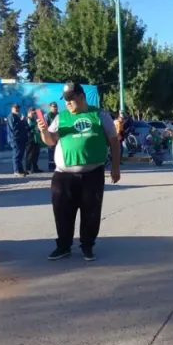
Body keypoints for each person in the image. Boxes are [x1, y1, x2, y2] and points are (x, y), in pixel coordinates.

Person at [37, 82, 121, 262]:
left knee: (91, 212)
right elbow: (50, 141)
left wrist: (116, 167)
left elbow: (114, 142)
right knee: (62, 212)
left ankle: (87, 246)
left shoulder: (100, 115)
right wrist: (44, 131)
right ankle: (63, 246)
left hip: (92, 173)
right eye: (65, 99)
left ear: (81, 97)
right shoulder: (61, 117)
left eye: (70, 98)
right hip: (63, 175)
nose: (67, 103)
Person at [7, 103, 28, 176]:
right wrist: (21, 121)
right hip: (15, 139)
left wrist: (23, 121)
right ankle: (16, 171)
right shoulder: (11, 116)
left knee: (20, 155)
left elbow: (22, 127)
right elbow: (13, 127)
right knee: (17, 155)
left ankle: (21, 170)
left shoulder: (17, 116)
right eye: (16, 108)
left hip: (21, 138)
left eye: (18, 108)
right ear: (12, 108)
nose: (17, 109)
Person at [25, 108, 43, 173]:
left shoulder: (34, 119)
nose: (33, 114)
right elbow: (27, 129)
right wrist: (35, 125)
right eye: (32, 113)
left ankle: (35, 168)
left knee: (36, 154)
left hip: (36, 138)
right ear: (29, 113)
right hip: (30, 139)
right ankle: (28, 168)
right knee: (30, 154)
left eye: (34, 113)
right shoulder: (27, 119)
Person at [45, 102, 59, 168]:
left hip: (58, 136)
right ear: (50, 108)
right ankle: (51, 166)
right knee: (51, 151)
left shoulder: (59, 115)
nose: (55, 108)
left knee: (58, 151)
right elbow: (46, 126)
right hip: (50, 136)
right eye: (53, 106)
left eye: (56, 106)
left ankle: (58, 165)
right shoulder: (47, 116)